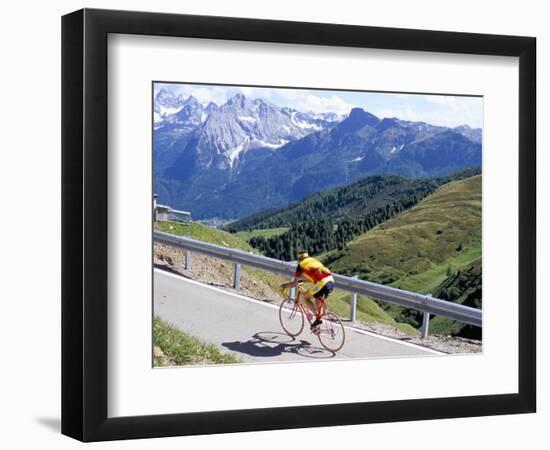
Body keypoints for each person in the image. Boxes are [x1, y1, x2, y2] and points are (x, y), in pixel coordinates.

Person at [281, 250, 335, 331]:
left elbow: (294, 283)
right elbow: (313, 277)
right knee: (317, 299)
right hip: (331, 282)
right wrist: (304, 281)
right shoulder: (313, 260)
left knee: (306, 298)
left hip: (322, 283)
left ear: (299, 258)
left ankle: (317, 319)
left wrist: (285, 285)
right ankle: (321, 319)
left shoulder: (301, 265)